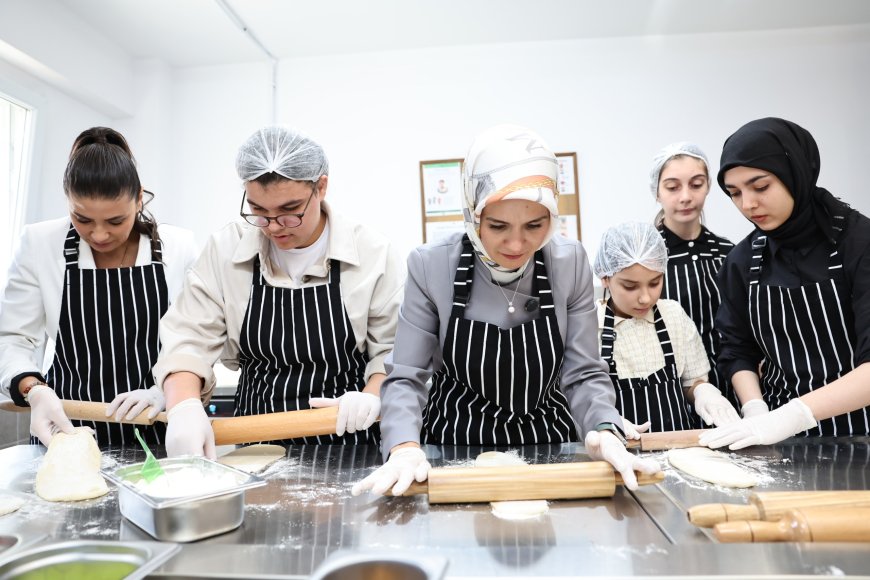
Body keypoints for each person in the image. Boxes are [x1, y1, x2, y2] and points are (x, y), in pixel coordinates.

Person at [351, 125, 659, 497]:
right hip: (452, 447)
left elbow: (583, 373)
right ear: (473, 212)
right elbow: (407, 377)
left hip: (550, 446)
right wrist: (402, 447)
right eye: (498, 226)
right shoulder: (432, 266)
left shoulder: (569, 262)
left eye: (535, 225)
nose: (517, 243)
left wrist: (605, 431)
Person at [154, 126, 404, 458]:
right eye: (258, 211)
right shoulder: (226, 249)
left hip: (349, 443)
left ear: (321, 187)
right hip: (257, 441)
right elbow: (188, 339)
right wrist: (184, 405)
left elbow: (393, 352)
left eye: (290, 211)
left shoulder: (372, 253)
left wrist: (372, 395)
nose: (273, 226)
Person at [0, 127, 198, 447]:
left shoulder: (177, 246)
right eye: (83, 219)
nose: (100, 235)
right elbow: (12, 339)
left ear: (138, 199)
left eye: (115, 221)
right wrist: (34, 389)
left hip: (157, 430)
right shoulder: (40, 244)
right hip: (66, 432)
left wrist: (166, 390)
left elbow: (195, 341)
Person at [700, 117, 870, 450]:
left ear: (796, 173)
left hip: (862, 432)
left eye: (760, 187)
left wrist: (791, 416)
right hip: (783, 443)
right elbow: (736, 350)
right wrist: (755, 409)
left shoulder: (859, 244)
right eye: (734, 193)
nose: (748, 204)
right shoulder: (743, 260)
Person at [593, 222, 739, 437]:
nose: (645, 298)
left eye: (655, 282)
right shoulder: (588, 326)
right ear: (605, 277)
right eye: (630, 286)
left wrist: (703, 392)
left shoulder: (673, 316)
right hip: (619, 449)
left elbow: (692, 381)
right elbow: (581, 395)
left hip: (680, 448)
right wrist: (603, 420)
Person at [650, 143, 736, 409]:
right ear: (657, 192)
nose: (685, 196)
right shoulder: (646, 258)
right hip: (668, 390)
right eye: (673, 187)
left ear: (708, 186)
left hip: (732, 383)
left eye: (696, 185)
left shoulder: (729, 253)